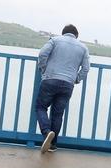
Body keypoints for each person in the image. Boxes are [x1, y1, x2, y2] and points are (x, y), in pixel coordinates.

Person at [36, 24, 90, 153]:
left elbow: (42, 54)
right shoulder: (83, 47)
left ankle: (46, 132)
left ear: (63, 33)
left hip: (50, 79)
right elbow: (86, 68)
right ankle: (53, 145)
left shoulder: (55, 40)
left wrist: (43, 69)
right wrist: (77, 79)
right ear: (76, 35)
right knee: (58, 114)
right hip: (68, 84)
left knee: (40, 107)